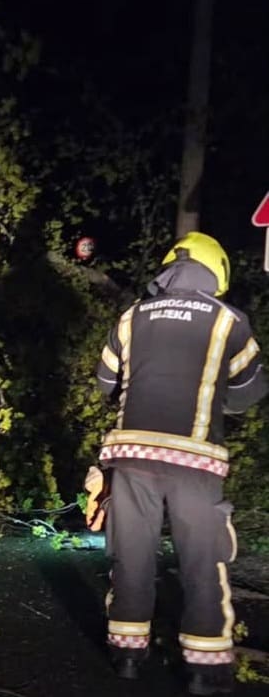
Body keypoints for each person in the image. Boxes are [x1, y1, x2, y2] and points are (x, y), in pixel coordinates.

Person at [93, 231, 267, 696]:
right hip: (195, 459)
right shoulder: (232, 321)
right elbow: (250, 392)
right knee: (202, 560)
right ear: (218, 273)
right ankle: (204, 670)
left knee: (131, 555)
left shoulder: (131, 316)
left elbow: (106, 381)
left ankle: (127, 656)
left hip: (130, 455)